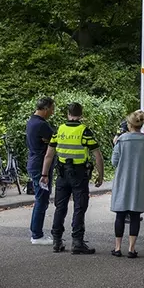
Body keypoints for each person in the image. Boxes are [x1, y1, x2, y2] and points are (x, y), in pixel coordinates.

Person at [41, 102, 104, 254]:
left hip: (62, 174)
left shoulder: (59, 130)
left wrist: (44, 174)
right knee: (79, 207)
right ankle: (77, 242)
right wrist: (100, 175)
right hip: (79, 174)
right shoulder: (85, 132)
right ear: (81, 115)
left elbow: (49, 155)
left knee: (60, 207)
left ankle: (56, 241)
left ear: (68, 114)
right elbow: (97, 156)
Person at [111, 110, 144, 258]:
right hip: (140, 183)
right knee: (135, 216)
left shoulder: (121, 141)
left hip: (123, 181)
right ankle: (131, 249)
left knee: (120, 215)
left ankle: (117, 248)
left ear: (129, 124)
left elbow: (114, 162)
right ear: (142, 125)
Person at [26, 97, 56, 245]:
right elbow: (56, 140)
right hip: (41, 165)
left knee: (41, 198)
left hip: (34, 162)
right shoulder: (41, 125)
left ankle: (35, 230)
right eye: (52, 108)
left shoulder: (32, 121)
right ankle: (37, 234)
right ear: (45, 109)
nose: (53, 111)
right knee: (42, 199)